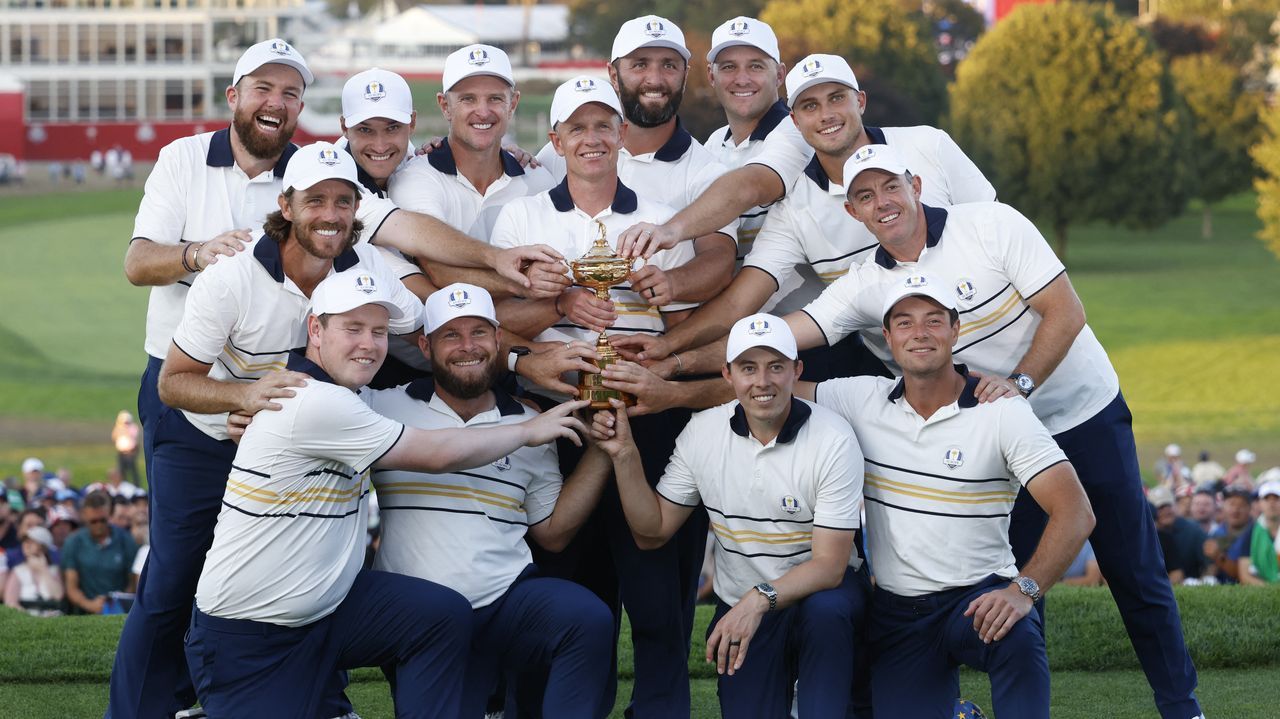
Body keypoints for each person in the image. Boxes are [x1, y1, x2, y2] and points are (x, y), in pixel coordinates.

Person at [632, 144, 1205, 719]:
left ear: (916, 185)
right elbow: (777, 346)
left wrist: (1020, 385)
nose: (881, 203)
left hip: (1077, 410)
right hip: (989, 430)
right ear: (853, 213)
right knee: (1022, 587)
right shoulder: (865, 286)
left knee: (1133, 567)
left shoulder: (991, 223)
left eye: (890, 187)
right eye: (864, 196)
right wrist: (673, 360)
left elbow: (1067, 311)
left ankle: (1182, 707)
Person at [109, 141, 423, 719]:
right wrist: (244, 396)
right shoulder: (229, 277)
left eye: (343, 201)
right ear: (286, 204)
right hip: (205, 433)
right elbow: (173, 384)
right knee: (176, 576)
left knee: (306, 574)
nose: (330, 214)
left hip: (290, 449)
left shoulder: (365, 265)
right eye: (316, 200)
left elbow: (415, 323)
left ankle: (312, 700)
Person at [185, 271, 590, 717]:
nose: (369, 344)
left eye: (378, 332)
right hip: (253, 633)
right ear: (316, 330)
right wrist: (528, 431)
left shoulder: (345, 397)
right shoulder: (319, 401)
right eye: (353, 329)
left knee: (435, 614)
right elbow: (435, 453)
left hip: (327, 612)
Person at [489, 75, 707, 716]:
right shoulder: (522, 216)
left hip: (646, 409)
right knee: (563, 586)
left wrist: (661, 310)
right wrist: (557, 302)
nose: (592, 138)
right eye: (577, 128)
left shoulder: (662, 214)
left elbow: (692, 310)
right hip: (557, 412)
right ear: (554, 139)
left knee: (657, 594)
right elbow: (495, 326)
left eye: (603, 125)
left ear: (621, 134)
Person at [795, 276, 1094, 718]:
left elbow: (1076, 512)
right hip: (900, 614)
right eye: (905, 322)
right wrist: (673, 389)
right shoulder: (860, 398)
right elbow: (768, 393)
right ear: (888, 337)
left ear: (956, 330)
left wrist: (1024, 591)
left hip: (977, 598)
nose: (920, 333)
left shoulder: (1002, 410)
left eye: (934, 321)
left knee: (1019, 635)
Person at [615, 52, 996, 383]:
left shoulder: (930, 144)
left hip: (1013, 359)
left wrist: (670, 231)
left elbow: (1000, 236)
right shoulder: (795, 211)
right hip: (912, 381)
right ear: (795, 121)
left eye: (836, 98)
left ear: (860, 101)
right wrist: (666, 349)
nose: (827, 114)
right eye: (811, 106)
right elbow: (739, 304)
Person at [589, 314, 870, 717]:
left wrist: (757, 599)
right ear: (727, 374)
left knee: (827, 614)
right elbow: (653, 531)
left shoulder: (833, 437)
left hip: (819, 599)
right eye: (748, 368)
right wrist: (624, 454)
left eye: (776, 367)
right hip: (743, 604)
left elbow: (829, 567)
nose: (763, 382)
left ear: (797, 370)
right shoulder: (701, 432)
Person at [365, 283, 614, 718]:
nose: (467, 347)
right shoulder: (381, 406)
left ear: (499, 342)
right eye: (450, 335)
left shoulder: (533, 420)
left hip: (506, 601)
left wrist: (601, 450)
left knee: (586, 618)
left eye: (479, 333)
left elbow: (552, 534)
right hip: (420, 612)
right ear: (425, 345)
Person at [535, 15, 738, 308]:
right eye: (640, 64)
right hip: (564, 339)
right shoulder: (559, 154)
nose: (654, 79)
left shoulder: (708, 171)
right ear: (614, 74)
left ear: (685, 73)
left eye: (669, 65)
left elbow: (719, 260)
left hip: (652, 338)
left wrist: (672, 282)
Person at [62, 490, 137, 615]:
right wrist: (90, 605)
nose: (99, 525)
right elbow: (71, 587)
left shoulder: (125, 540)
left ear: (110, 515)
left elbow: (132, 582)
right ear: (84, 516)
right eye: (93, 521)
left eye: (103, 520)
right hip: (85, 611)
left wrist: (117, 603)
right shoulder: (74, 542)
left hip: (119, 608)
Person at [1149, 487, 1208, 584]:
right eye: (1160, 508)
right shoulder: (1147, 535)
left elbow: (1210, 563)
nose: (1166, 511)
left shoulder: (1193, 530)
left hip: (1191, 583)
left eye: (1169, 506)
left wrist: (1204, 580)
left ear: (1175, 506)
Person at [3, 525, 63, 615]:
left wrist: (43, 570)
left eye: (32, 541)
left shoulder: (53, 570)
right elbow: (10, 602)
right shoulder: (18, 570)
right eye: (25, 541)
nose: (26, 544)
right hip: (27, 620)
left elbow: (58, 596)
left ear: (43, 547)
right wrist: (30, 618)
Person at [1232, 480, 1280, 585]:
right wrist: (1270, 590)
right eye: (1266, 499)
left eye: (1276, 498)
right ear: (1259, 503)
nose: (1271, 503)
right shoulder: (1250, 533)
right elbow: (1244, 574)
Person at [1207, 488, 1253, 583]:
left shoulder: (1255, 533)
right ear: (1223, 506)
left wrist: (1218, 556)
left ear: (1249, 508)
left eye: (1241, 505)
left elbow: (1243, 575)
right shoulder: (1217, 532)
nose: (1236, 509)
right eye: (1231, 504)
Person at [112, 410, 141, 486]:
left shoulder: (132, 428)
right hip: (121, 452)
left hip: (130, 452)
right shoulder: (118, 428)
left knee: (133, 470)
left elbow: (133, 436)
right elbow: (114, 437)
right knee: (122, 470)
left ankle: (136, 485)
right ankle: (123, 485)